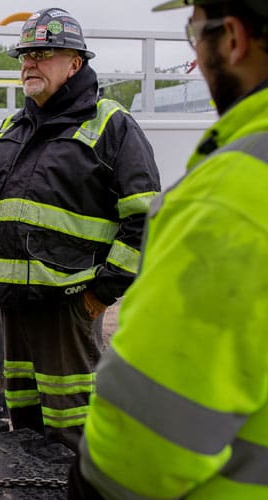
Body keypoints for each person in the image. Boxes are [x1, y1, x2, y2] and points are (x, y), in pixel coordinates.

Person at [0, 7, 161, 452]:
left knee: (72, 425)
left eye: (44, 53)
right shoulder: (16, 126)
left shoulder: (111, 126)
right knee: (26, 423)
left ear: (75, 63)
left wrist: (100, 294)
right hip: (16, 304)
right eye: (26, 54)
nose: (30, 62)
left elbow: (146, 217)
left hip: (68, 302)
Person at [70, 0, 268, 497]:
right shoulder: (18, 127)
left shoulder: (233, 199)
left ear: (234, 39)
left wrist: (105, 289)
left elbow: (143, 450)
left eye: (193, 32)